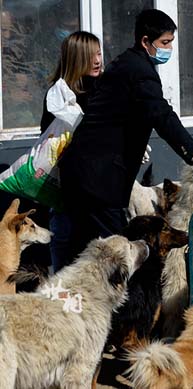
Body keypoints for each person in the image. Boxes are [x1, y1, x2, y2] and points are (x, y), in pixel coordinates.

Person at [58, 9, 193, 264]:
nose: (170, 48)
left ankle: (75, 302)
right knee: (115, 256)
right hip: (97, 180)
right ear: (145, 41)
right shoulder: (140, 71)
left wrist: (128, 141)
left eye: (172, 42)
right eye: (165, 43)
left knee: (85, 256)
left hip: (86, 176)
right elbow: (161, 114)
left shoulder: (125, 63)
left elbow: (117, 112)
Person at [40, 31, 102, 272]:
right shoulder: (59, 97)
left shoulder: (103, 90)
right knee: (65, 266)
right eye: (90, 56)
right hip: (67, 194)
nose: (97, 60)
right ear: (75, 59)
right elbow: (49, 140)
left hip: (96, 195)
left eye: (99, 53)